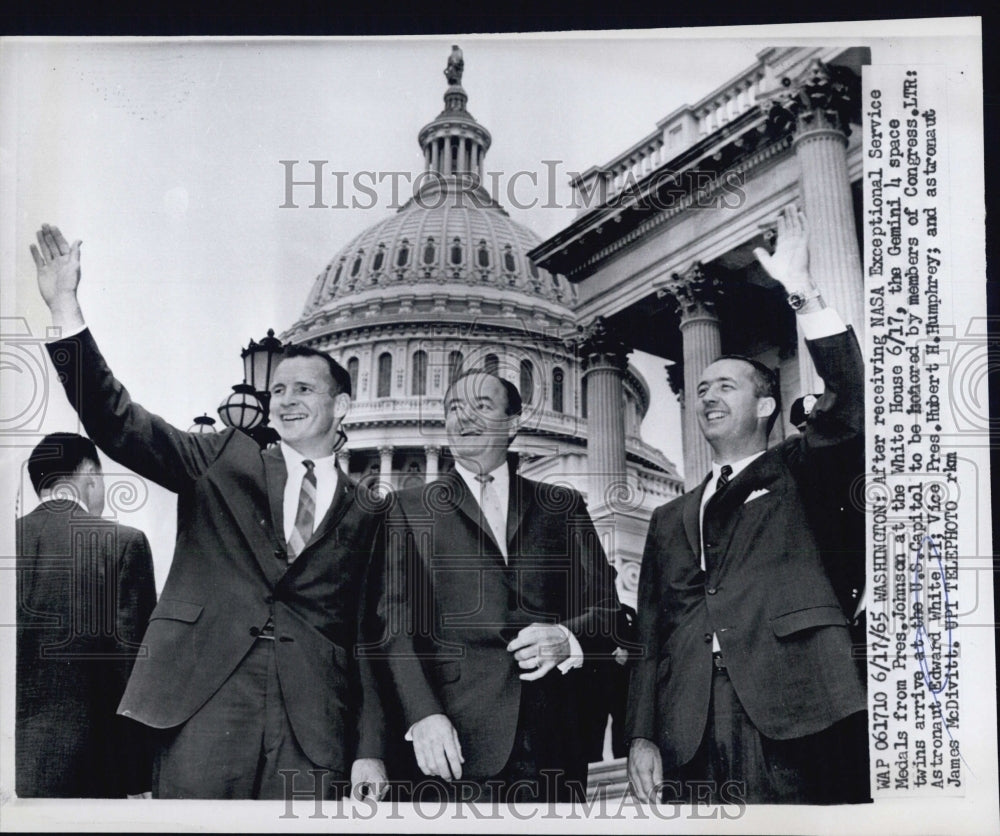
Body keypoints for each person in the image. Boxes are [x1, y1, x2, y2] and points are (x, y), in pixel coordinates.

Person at [30, 224, 387, 800]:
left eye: (304, 390)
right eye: (280, 391)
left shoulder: (369, 508)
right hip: (205, 697)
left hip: (314, 722)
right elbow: (119, 421)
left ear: (342, 405)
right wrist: (66, 307)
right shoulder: (223, 455)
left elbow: (370, 635)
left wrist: (370, 748)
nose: (287, 400)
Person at [626, 206, 869, 805]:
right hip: (689, 729)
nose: (707, 396)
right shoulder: (667, 519)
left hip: (797, 705)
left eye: (725, 386)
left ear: (765, 407)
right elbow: (652, 635)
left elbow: (850, 402)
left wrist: (802, 292)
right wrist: (640, 736)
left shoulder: (799, 469)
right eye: (700, 390)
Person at [373, 370, 622, 802]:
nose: (464, 417)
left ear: (513, 423)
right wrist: (424, 714)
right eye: (454, 408)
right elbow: (395, 626)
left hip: (552, 747)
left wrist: (567, 638)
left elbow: (608, 611)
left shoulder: (561, 507)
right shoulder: (406, 510)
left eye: (482, 406)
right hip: (450, 744)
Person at [16, 432, 156, 798]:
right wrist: (139, 777)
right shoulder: (124, 543)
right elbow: (133, 669)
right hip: (88, 765)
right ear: (90, 475)